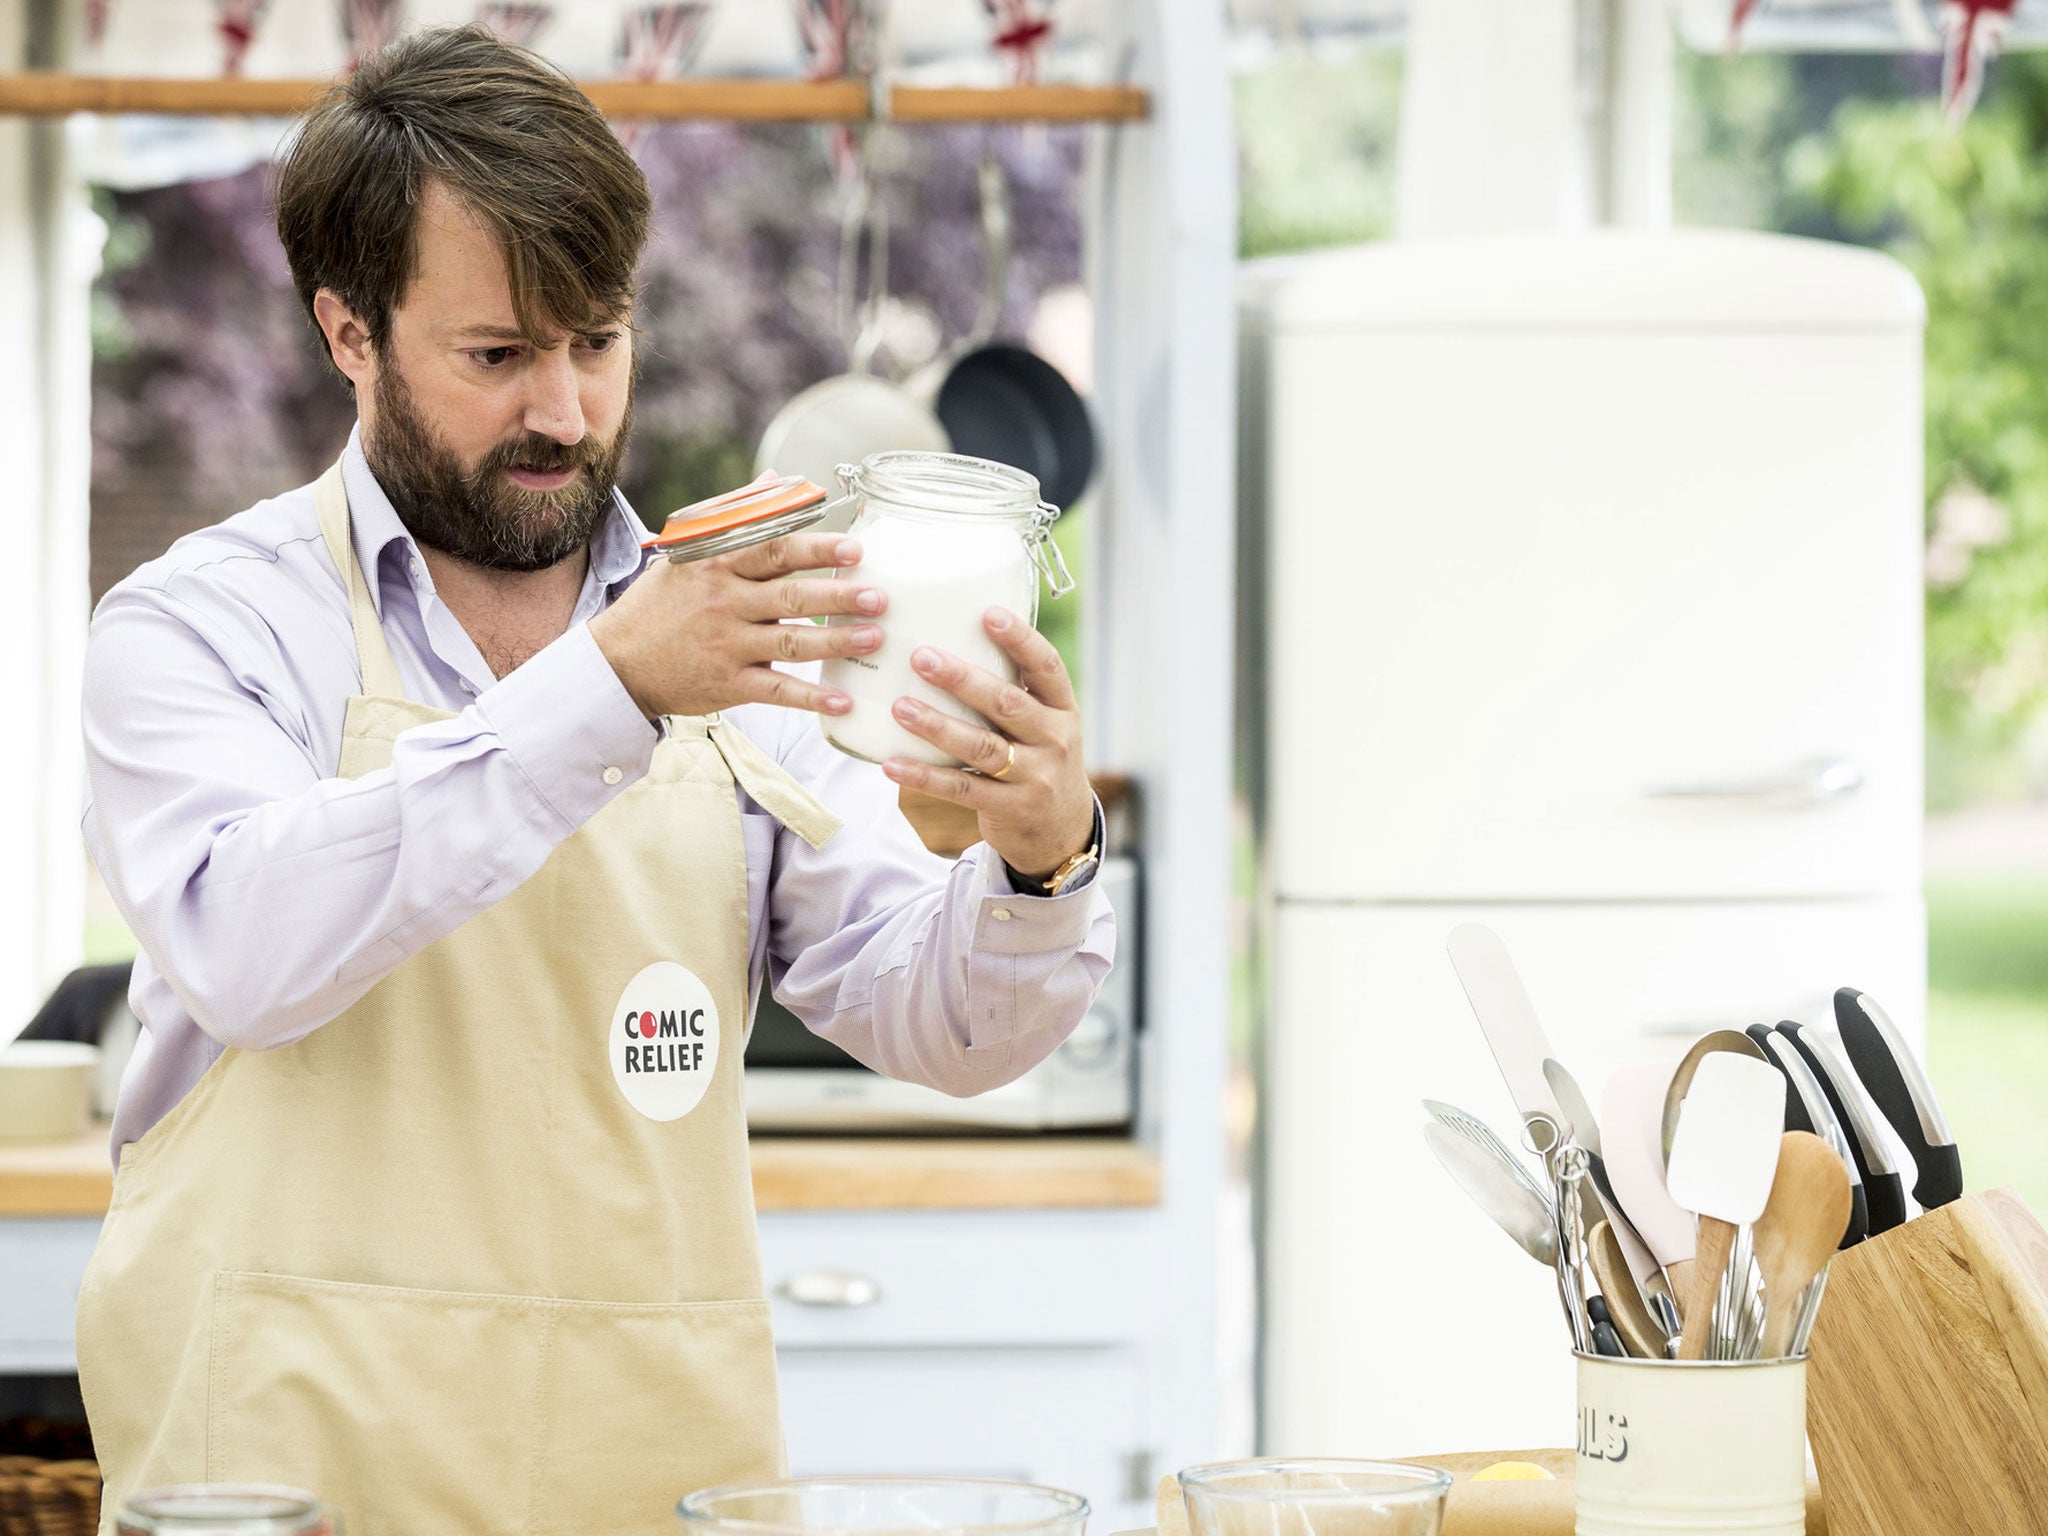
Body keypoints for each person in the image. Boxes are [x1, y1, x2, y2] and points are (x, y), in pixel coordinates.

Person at [74, 26, 1112, 1535]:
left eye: (599, 341)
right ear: (348, 331)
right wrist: (611, 690)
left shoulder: (740, 628)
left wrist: (1038, 865)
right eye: (498, 356)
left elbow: (940, 1022)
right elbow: (246, 947)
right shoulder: (198, 627)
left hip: (645, 1480)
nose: (564, 411)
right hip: (286, 1483)